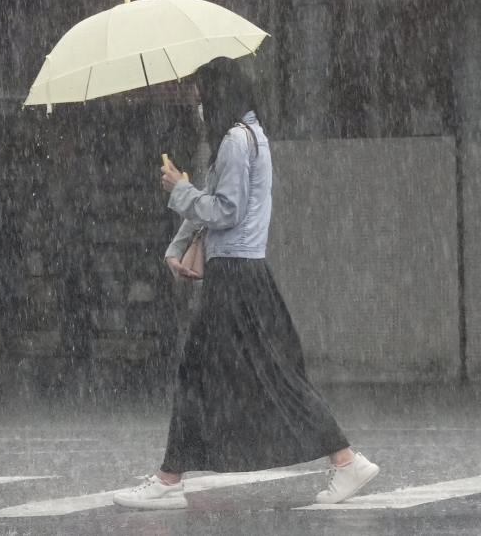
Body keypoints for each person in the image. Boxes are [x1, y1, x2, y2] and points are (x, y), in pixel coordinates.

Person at [112, 57, 379, 510]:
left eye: (200, 93)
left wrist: (178, 188)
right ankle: (172, 477)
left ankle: (170, 480)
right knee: (260, 372)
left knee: (211, 373)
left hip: (234, 277)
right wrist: (177, 245)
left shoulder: (237, 141)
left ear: (217, 95)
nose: (196, 102)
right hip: (245, 273)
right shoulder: (249, 137)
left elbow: (226, 212)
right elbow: (215, 205)